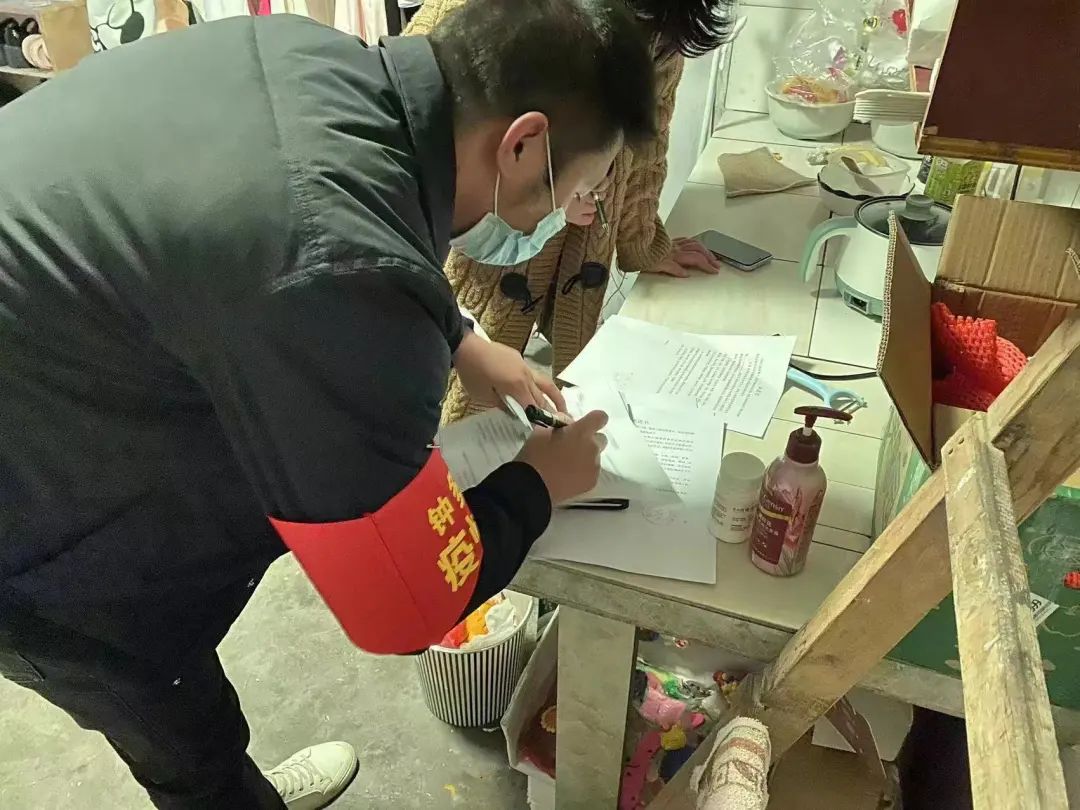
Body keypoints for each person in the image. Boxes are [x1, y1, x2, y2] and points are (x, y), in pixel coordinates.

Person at [0, 2, 656, 808]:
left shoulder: (311, 58)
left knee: (179, 697)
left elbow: (291, 231)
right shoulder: (341, 272)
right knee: (165, 712)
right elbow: (399, 604)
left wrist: (461, 338)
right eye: (578, 188)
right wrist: (540, 483)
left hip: (57, 357)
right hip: (32, 518)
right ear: (521, 144)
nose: (569, 210)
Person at [406, 0, 736, 424]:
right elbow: (413, 130)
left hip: (574, 241)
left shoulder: (661, 33)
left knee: (558, 398)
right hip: (475, 237)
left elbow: (647, 145)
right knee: (456, 398)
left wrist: (641, 239)